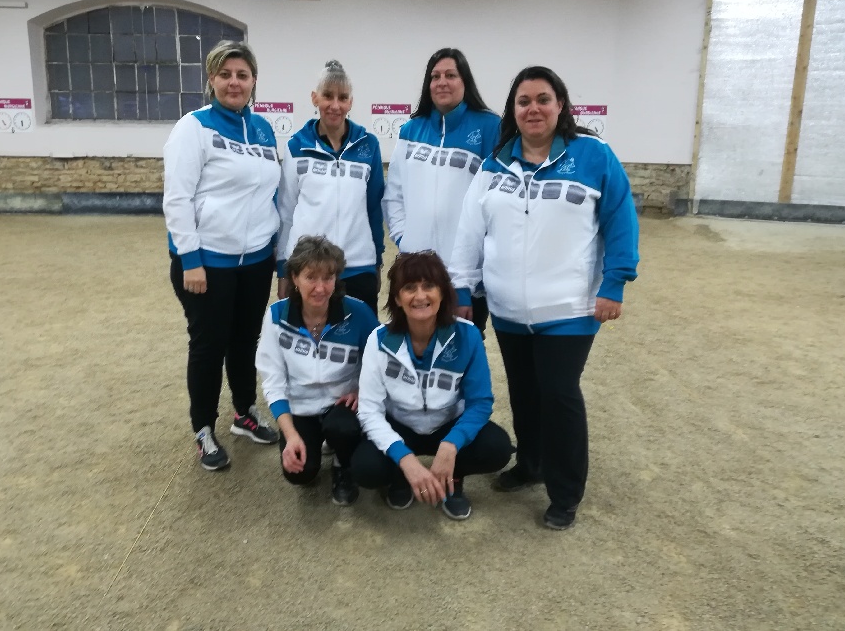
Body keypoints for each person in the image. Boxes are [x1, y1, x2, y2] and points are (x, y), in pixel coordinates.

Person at [449, 65, 640, 530]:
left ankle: (565, 492)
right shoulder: (494, 165)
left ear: (561, 105)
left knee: (558, 393)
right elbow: (469, 232)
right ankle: (531, 464)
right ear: (512, 111)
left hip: (570, 308)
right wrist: (461, 287)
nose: (533, 109)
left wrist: (614, 282)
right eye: (523, 101)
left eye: (542, 99)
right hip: (508, 309)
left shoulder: (593, 154)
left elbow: (620, 218)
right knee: (524, 392)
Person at [163, 40, 281, 472]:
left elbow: (270, 191)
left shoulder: (263, 129)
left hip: (255, 260)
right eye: (225, 74)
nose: (234, 82)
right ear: (211, 79)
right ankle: (203, 428)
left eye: (242, 75)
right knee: (209, 345)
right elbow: (177, 199)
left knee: (245, 340)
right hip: (207, 263)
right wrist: (190, 258)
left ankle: (244, 413)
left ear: (253, 81)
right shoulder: (193, 127)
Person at [352, 251, 512, 521]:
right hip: (400, 424)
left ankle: (452, 478)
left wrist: (451, 445)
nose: (420, 296)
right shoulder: (378, 340)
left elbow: (480, 402)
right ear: (397, 298)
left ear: (443, 293)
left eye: (429, 286)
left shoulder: (468, 335)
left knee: (497, 448)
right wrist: (405, 459)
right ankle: (401, 477)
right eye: (409, 287)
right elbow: (369, 410)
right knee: (365, 468)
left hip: (448, 423)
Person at [381, 48, 500, 333]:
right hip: (416, 268)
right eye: (435, 76)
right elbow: (394, 194)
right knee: (415, 343)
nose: (442, 82)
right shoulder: (411, 129)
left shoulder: (490, 126)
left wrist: (470, 273)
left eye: (450, 75)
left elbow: (495, 201)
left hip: (466, 276)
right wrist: (404, 239)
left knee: (461, 346)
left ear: (465, 81)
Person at [256, 236, 379, 505]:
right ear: (294, 278)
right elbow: (273, 383)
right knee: (299, 474)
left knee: (343, 429)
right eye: (311, 277)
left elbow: (381, 361)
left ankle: (342, 465)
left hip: (343, 404)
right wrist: (290, 436)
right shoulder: (275, 317)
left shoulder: (358, 313)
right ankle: (314, 441)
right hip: (300, 407)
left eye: (328, 277)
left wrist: (362, 389)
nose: (321, 287)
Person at [276, 60, 385, 314]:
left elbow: (374, 209)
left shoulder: (369, 145)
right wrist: (283, 269)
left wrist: (377, 262)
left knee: (360, 337)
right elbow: (285, 211)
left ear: (350, 102)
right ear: (315, 98)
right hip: (308, 268)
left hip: (358, 266)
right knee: (308, 337)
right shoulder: (296, 146)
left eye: (342, 97)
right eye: (327, 96)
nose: (335, 105)